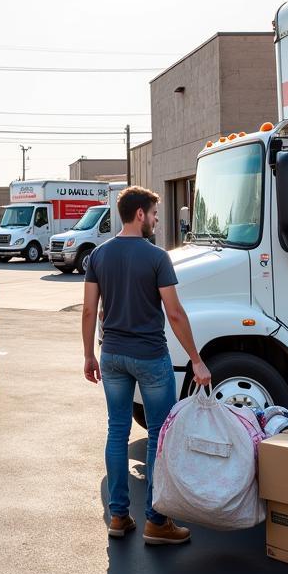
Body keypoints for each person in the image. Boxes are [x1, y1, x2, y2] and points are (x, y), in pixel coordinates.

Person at [81, 187, 211, 545]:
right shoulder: (156, 257)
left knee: (117, 431)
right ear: (140, 214)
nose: (156, 219)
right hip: (151, 357)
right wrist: (197, 361)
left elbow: (90, 309)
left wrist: (88, 354)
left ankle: (119, 516)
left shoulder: (100, 256)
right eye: (154, 213)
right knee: (157, 434)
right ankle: (156, 521)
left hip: (112, 355)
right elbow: (174, 312)